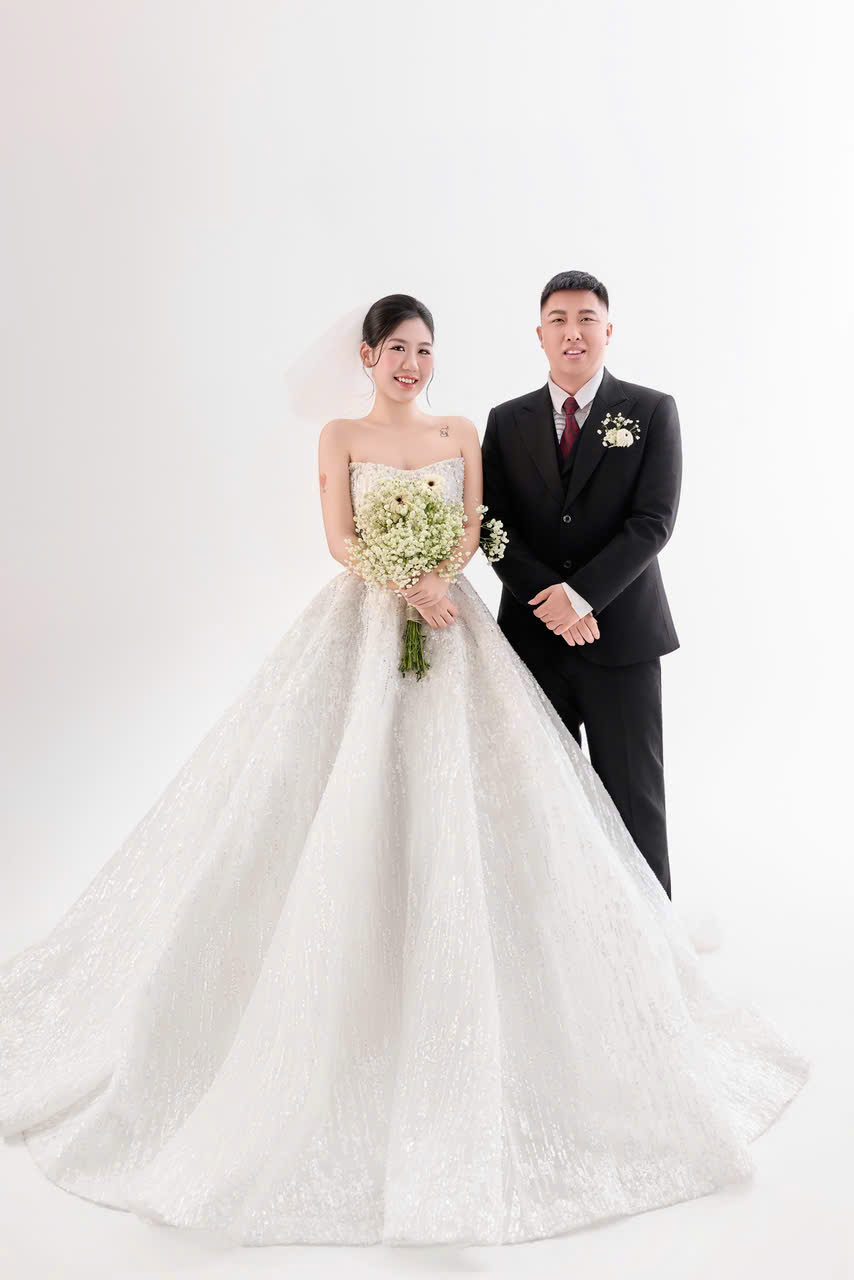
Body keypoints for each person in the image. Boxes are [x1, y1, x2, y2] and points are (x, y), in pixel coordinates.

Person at [0, 293, 808, 1248]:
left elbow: (476, 527)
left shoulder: (466, 429)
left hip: (460, 622)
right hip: (369, 619)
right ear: (367, 355)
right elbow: (339, 537)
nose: (412, 362)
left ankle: (631, 968)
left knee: (547, 801)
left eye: (425, 348)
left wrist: (441, 573)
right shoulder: (343, 436)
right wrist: (398, 576)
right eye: (396, 348)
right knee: (339, 792)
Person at [483, 269, 680, 899]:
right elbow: (492, 526)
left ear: (608, 330)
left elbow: (653, 522)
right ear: (539, 334)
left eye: (586, 319)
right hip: (532, 645)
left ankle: (651, 945)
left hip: (622, 642)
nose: (573, 332)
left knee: (634, 804)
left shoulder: (651, 410)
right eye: (559, 320)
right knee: (541, 806)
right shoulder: (505, 421)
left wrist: (580, 596)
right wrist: (550, 603)